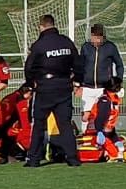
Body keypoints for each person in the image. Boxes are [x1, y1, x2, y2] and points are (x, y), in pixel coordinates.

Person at [23, 14, 86, 167]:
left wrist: (31, 84)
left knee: (39, 124)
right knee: (65, 124)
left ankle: (33, 159)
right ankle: (72, 158)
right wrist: (76, 81)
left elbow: (29, 67)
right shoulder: (66, 42)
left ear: (41, 26)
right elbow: (78, 63)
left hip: (45, 88)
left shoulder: (39, 45)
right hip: (64, 86)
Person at [82, 24, 124, 112]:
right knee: (87, 117)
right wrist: (78, 83)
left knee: (104, 117)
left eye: (98, 38)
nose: (96, 40)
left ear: (103, 37)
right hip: (87, 88)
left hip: (104, 89)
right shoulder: (85, 47)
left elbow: (119, 64)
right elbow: (80, 65)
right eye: (94, 37)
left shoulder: (110, 47)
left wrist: (118, 82)